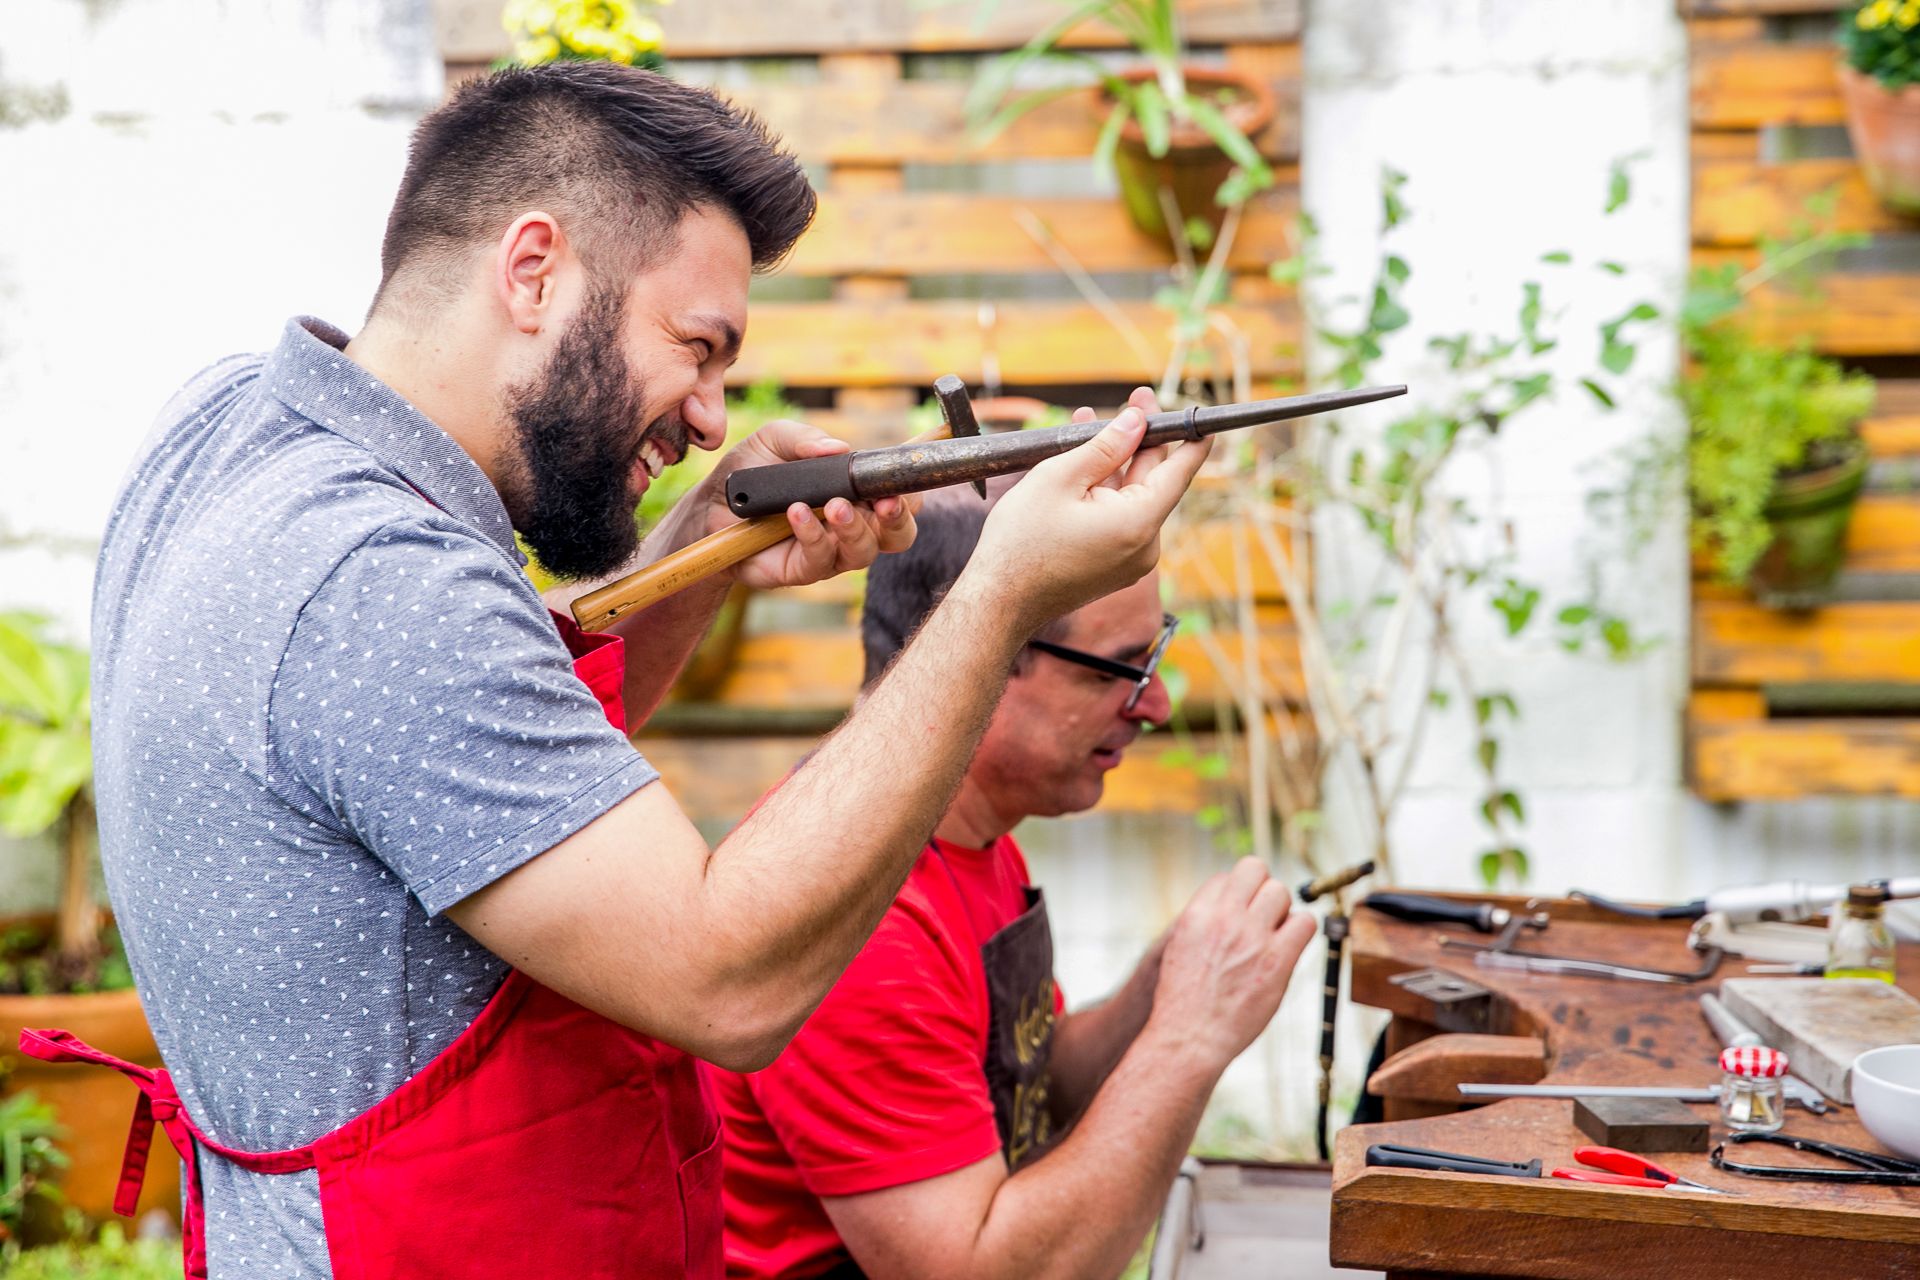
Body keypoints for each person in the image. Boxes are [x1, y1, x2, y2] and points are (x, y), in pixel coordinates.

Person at [29, 63, 1208, 1279]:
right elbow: (729, 981)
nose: (710, 416)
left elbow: (467, 776)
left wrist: (698, 550)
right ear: (532, 268)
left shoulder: (238, 423)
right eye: (696, 346)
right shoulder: (384, 584)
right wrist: (1001, 590)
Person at [709, 483, 1317, 1280]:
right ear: (978, 659)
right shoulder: (856, 918)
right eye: (1120, 670)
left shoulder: (966, 833)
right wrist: (1189, 1042)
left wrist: (1166, 986)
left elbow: (1030, 1081)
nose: (1156, 705)